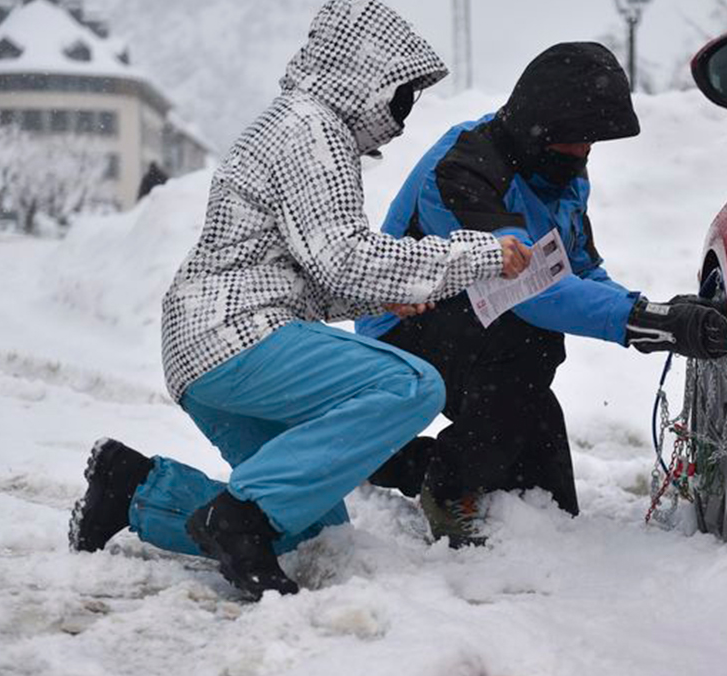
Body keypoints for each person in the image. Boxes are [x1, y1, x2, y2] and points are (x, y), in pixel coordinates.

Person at [67, 0, 532, 600]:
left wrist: (387, 295)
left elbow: (307, 269)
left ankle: (132, 488)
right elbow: (346, 258)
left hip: (203, 348)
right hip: (235, 333)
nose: (405, 113)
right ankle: (236, 520)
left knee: (306, 523)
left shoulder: (293, 124)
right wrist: (481, 256)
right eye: (403, 92)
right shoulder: (313, 130)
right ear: (369, 73)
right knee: (411, 385)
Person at [356, 42, 727, 547]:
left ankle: (390, 462)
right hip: (404, 335)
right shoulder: (463, 169)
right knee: (529, 342)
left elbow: (580, 270)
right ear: (542, 126)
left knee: (546, 490)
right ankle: (446, 488)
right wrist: (644, 321)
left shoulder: (562, 170)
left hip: (481, 331)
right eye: (576, 140)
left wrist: (657, 311)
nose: (585, 152)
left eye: (591, 143)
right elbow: (529, 288)